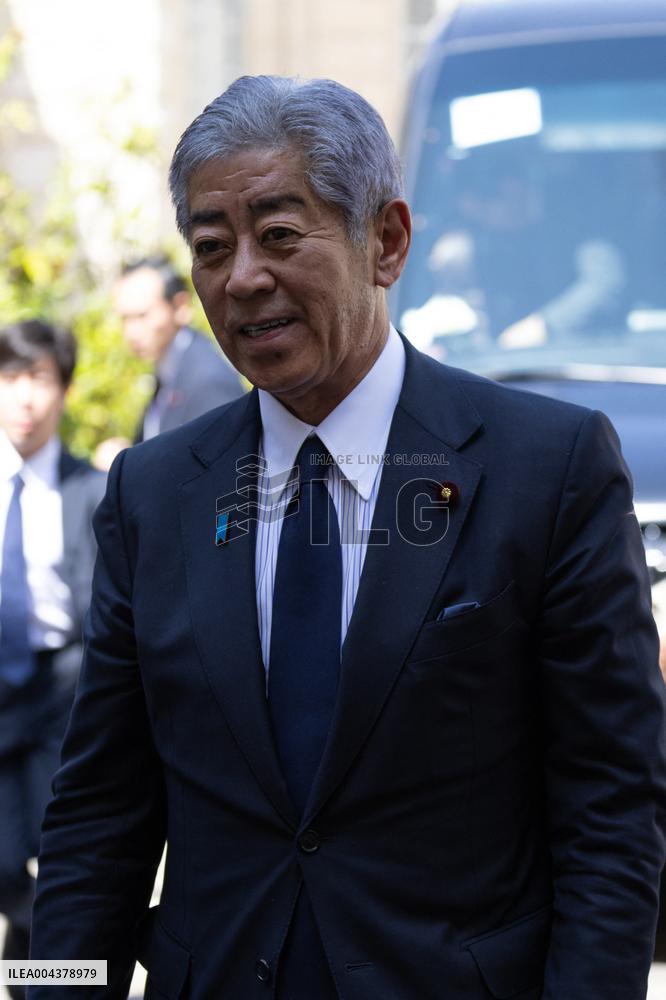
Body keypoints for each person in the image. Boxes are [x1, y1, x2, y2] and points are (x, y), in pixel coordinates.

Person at [29, 77, 665, 1000]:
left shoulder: (547, 469)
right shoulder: (154, 494)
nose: (243, 276)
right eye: (212, 248)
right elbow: (96, 819)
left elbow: (611, 811)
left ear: (388, 241)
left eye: (281, 236)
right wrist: (54, 988)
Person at [0, 320, 104, 998]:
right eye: (11, 380)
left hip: (63, 693)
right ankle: (54, 974)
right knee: (7, 863)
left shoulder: (91, 488)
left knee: (62, 863)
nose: (25, 399)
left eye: (40, 381)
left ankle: (40, 981)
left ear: (63, 391)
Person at [94, 256, 245, 468]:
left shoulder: (208, 382)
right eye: (125, 319)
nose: (131, 332)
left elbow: (215, 476)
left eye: (142, 316)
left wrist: (129, 465)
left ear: (180, 307)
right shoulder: (170, 368)